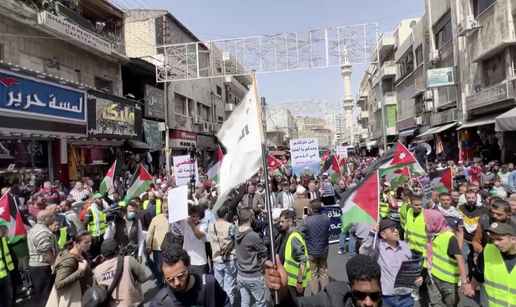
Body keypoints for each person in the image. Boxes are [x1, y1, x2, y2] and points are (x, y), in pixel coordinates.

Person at [265, 254, 383, 307]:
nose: (368, 303)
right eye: (360, 295)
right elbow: (299, 305)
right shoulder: (334, 297)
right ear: (349, 288)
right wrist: (283, 293)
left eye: (374, 296)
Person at [360, 219, 420, 307]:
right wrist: (372, 233)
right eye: (392, 230)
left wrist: (417, 278)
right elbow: (363, 253)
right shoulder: (378, 246)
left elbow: (410, 269)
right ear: (383, 234)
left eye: (396, 228)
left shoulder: (405, 246)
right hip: (387, 299)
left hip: (406, 298)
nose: (396, 231)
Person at [149, 248, 230, 307]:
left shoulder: (209, 284)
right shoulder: (159, 303)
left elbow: (224, 303)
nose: (177, 283)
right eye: (170, 279)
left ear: (188, 267)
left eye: (181, 276)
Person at [462, 222, 516, 306]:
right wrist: (471, 286)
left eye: (499, 239)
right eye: (493, 239)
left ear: (513, 239)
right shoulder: (487, 251)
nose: (495, 243)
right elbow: (479, 274)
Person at [93, 238, 147, 307]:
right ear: (118, 251)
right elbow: (143, 277)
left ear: (102, 256)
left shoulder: (97, 270)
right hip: (133, 303)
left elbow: (97, 291)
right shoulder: (129, 261)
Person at [48, 231, 93, 306]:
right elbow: (58, 284)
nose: (90, 244)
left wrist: (93, 262)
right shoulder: (69, 261)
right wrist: (80, 271)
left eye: (90, 241)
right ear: (75, 244)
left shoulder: (81, 253)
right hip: (73, 300)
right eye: (86, 242)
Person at [27, 210, 59, 307]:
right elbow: (45, 251)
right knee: (45, 294)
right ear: (45, 219)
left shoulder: (35, 229)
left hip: (38, 266)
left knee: (40, 293)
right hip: (42, 266)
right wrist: (53, 264)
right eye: (51, 216)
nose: (54, 217)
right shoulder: (42, 232)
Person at [298, 199, 330, 296]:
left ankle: (315, 296)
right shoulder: (326, 218)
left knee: (313, 274)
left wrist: (304, 220)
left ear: (311, 209)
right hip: (323, 249)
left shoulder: (307, 221)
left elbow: (300, 231)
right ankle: (326, 294)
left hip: (311, 250)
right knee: (324, 272)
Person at [279, 210, 310, 297]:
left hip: (295, 282)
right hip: (292, 281)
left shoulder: (294, 237)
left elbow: (302, 259)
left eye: (282, 222)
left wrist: (299, 282)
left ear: (290, 222)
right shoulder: (291, 234)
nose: (280, 224)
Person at [0, 218, 14, 307]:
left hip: (5, 272)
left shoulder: (3, 239)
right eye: (5, 227)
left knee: (7, 297)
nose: (7, 228)